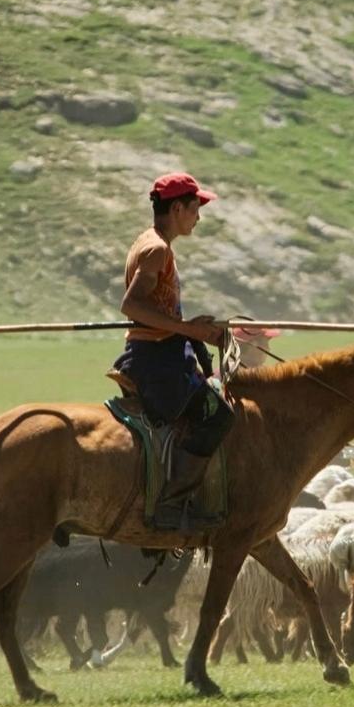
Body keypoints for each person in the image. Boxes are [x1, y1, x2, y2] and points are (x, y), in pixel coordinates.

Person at [113, 172, 235, 525]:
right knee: (219, 415)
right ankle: (172, 502)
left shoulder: (153, 244)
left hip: (164, 353)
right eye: (196, 208)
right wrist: (186, 329)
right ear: (178, 208)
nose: (199, 216)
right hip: (155, 361)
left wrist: (194, 329)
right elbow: (131, 306)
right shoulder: (156, 249)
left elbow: (157, 309)